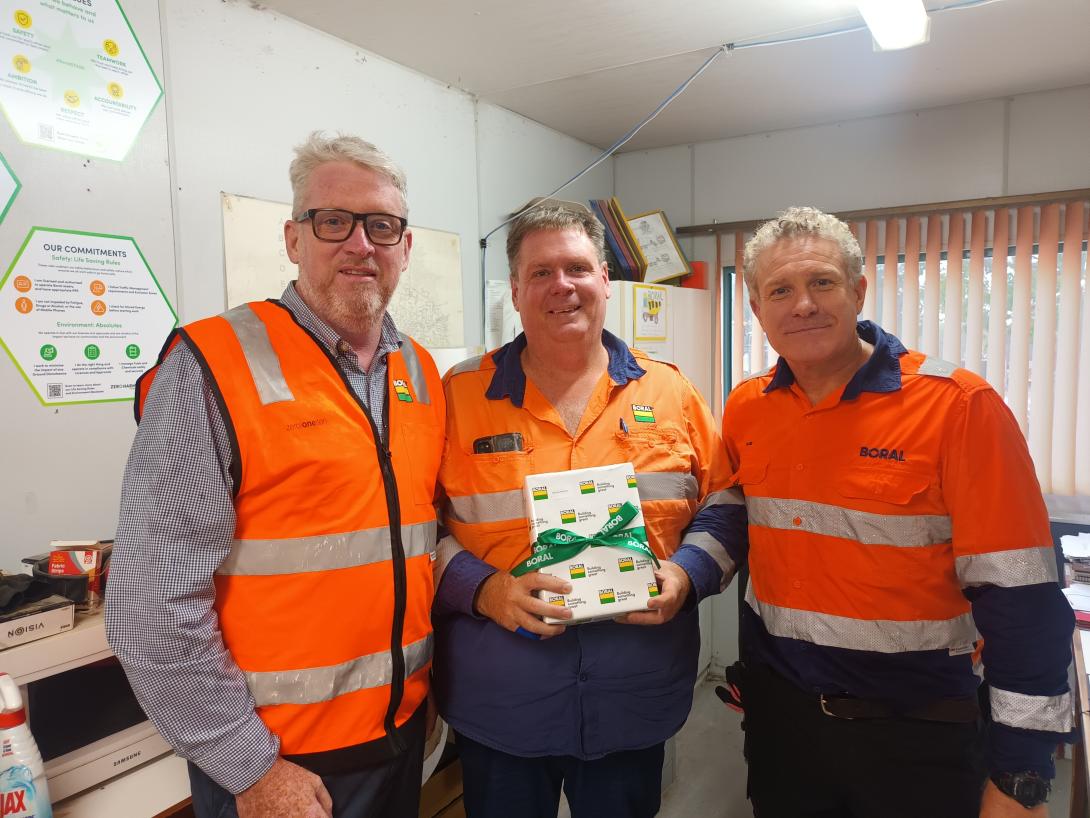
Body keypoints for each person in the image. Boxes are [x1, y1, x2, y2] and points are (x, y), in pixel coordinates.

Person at [106, 132, 445, 818]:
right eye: (333, 222)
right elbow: (149, 609)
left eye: (381, 225)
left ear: (405, 247)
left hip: (399, 739)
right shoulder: (211, 365)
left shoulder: (423, 375)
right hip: (281, 768)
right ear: (294, 239)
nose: (359, 244)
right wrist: (250, 766)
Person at [721, 206, 1073, 818]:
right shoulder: (747, 408)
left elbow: (1022, 599)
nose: (802, 304)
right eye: (781, 290)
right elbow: (733, 516)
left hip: (917, 737)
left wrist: (1021, 774)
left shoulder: (959, 408)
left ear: (858, 290)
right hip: (783, 730)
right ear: (757, 307)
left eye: (822, 282)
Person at [432, 199, 744, 818]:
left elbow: (727, 502)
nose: (561, 287)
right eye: (541, 272)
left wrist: (686, 576)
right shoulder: (457, 398)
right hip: (503, 700)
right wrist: (485, 589)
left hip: (634, 693)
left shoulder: (670, 390)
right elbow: (415, 526)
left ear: (605, 278)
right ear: (516, 290)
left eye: (576, 268)